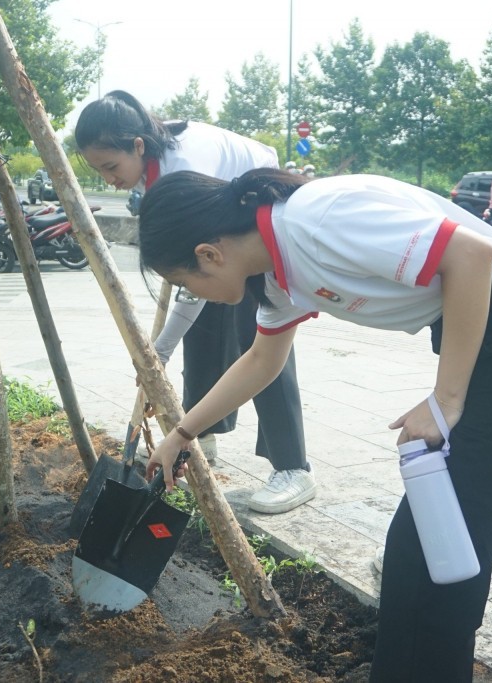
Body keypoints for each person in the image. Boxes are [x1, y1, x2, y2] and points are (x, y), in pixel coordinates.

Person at [137, 169, 492, 682]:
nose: (189, 295)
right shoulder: (276, 273)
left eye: (183, 284)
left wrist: (444, 401)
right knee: (435, 544)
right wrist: (182, 433)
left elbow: (472, 255)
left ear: (208, 254)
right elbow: (262, 360)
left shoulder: (316, 220)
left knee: (432, 543)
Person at [75, 90, 314, 514]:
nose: (110, 180)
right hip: (221, 230)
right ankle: (203, 434)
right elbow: (191, 283)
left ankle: (292, 466)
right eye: (99, 172)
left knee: (262, 336)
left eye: (111, 167)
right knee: (202, 330)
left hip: (255, 226)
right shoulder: (154, 166)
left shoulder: (183, 166)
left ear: (138, 146)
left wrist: (157, 353)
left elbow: (192, 282)